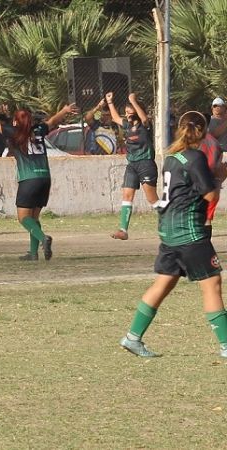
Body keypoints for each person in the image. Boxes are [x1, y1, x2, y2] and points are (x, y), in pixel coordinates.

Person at [118, 111, 227, 359]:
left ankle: (132, 338)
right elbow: (210, 195)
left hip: (168, 230)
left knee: (164, 282)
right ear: (202, 132)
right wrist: (219, 177)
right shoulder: (195, 157)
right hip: (189, 232)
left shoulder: (172, 158)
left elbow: (187, 187)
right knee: (212, 284)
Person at [0, 103, 78, 260]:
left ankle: (43, 238)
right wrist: (64, 110)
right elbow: (52, 121)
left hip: (29, 180)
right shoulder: (39, 130)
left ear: (16, 122)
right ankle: (33, 254)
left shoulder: (14, 132)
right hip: (45, 179)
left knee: (23, 218)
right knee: (34, 218)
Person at [105, 92, 159, 240]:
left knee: (152, 199)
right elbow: (116, 118)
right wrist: (110, 102)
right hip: (132, 165)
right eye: (126, 111)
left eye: (130, 110)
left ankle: (171, 220)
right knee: (127, 195)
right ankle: (123, 230)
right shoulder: (128, 125)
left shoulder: (145, 125)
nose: (127, 113)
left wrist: (133, 101)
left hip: (146, 163)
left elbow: (144, 118)